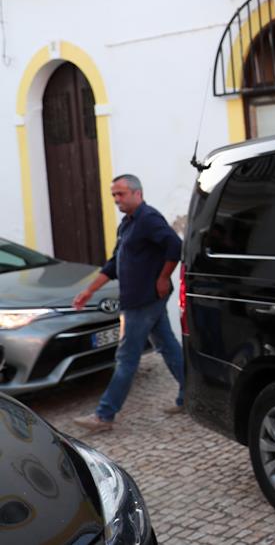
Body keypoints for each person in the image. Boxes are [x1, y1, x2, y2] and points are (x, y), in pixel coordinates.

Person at [72, 174, 186, 432]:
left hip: (143, 301)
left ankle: (104, 415)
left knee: (126, 358)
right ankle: (190, 396)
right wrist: (89, 291)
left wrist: (163, 277)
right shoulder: (126, 224)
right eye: (114, 195)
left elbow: (175, 246)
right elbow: (114, 263)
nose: (116, 199)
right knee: (167, 346)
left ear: (137, 193)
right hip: (137, 300)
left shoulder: (149, 218)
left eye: (121, 194)